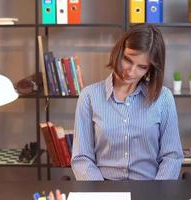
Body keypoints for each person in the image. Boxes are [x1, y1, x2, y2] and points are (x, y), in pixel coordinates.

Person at [71, 24, 183, 181]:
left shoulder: (163, 98)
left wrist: (158, 194)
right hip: (104, 189)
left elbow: (172, 156)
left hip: (150, 189)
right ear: (119, 51)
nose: (131, 71)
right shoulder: (89, 96)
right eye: (128, 60)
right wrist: (100, 195)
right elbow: (82, 158)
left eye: (142, 67)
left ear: (150, 68)